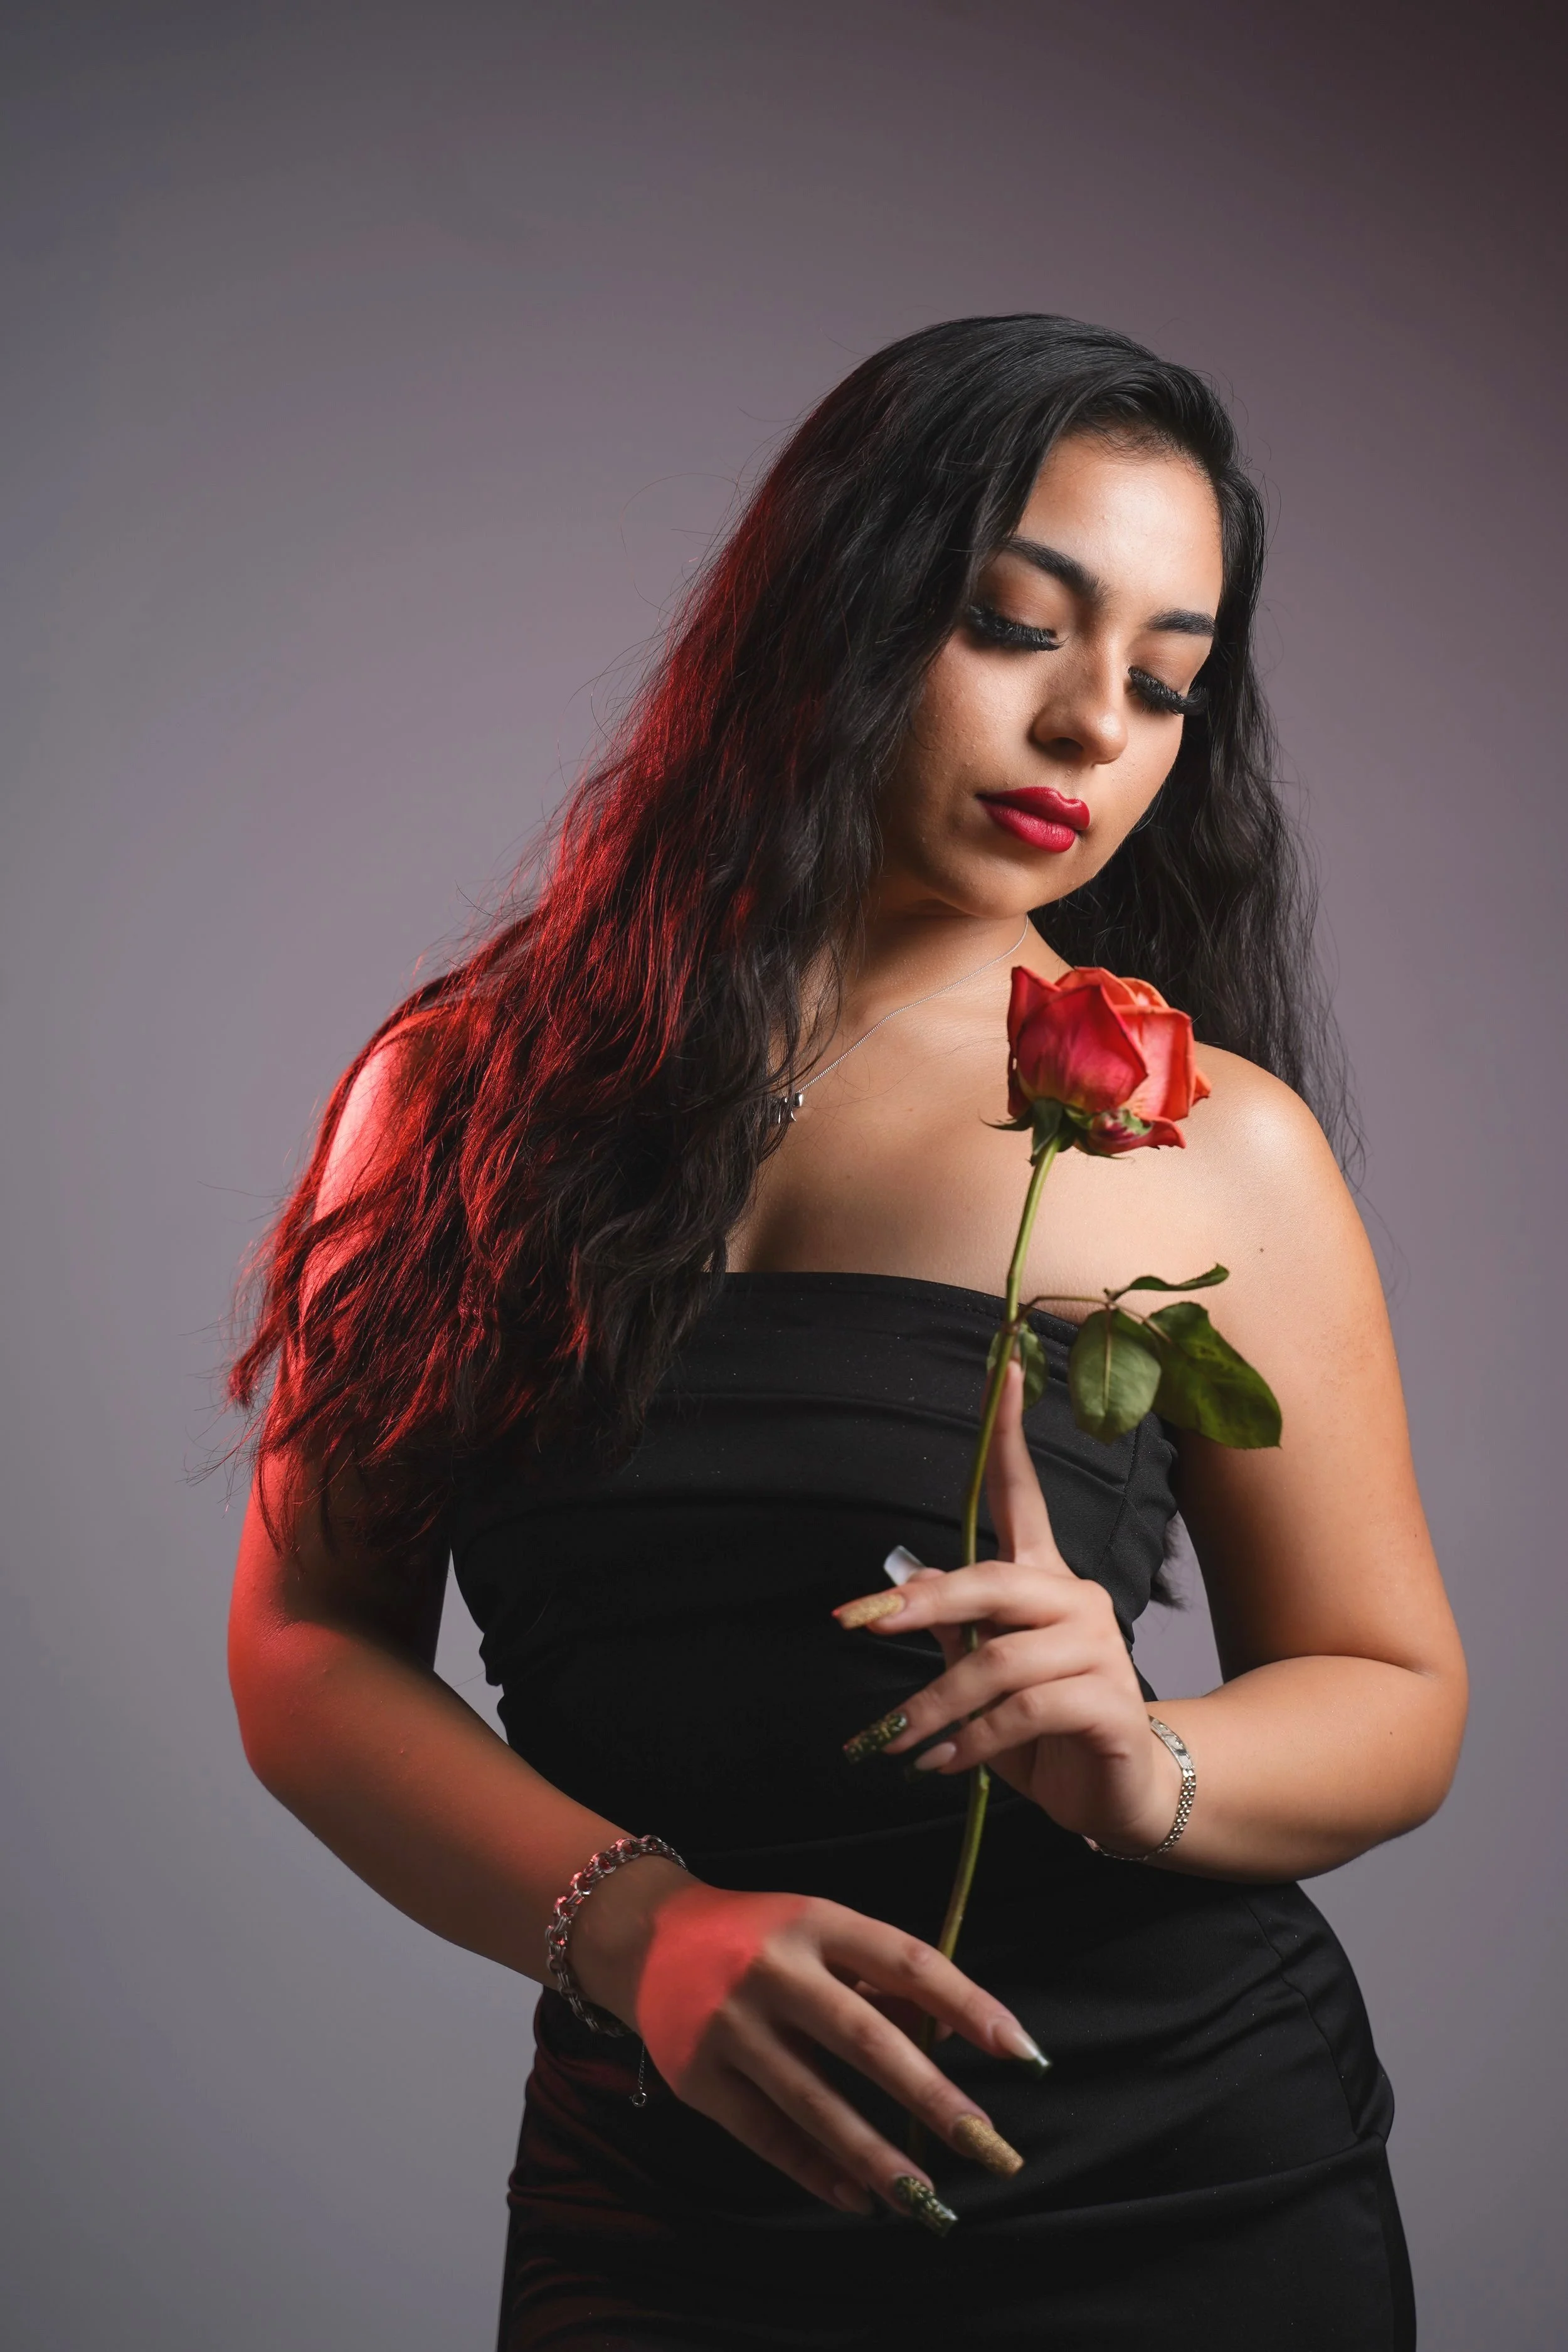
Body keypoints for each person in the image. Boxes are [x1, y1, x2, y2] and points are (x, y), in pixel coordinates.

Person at [226, 315, 1466, 2349]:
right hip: (676, 2178)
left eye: (1164, 679)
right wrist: (639, 1932)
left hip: (1179, 2166)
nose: (1092, 726)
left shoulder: (1203, 1138)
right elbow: (305, 1647)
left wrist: (1139, 1756)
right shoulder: (457, 1096)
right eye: (1013, 623)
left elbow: (1392, 1687)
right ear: (830, 610)